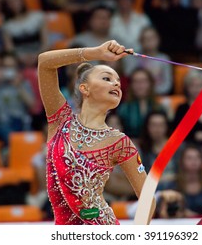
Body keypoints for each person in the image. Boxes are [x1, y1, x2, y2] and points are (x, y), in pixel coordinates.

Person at [37, 40, 155, 225]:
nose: (116, 84)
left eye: (118, 82)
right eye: (107, 78)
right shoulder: (61, 121)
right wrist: (96, 52)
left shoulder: (119, 142)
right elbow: (44, 62)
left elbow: (147, 197)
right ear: (85, 88)